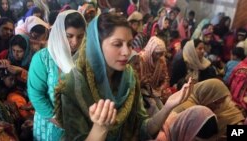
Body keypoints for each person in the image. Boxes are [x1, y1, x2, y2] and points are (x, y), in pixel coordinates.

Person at [55, 12, 193, 141]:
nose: (127, 52)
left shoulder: (128, 77)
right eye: (117, 44)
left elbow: (143, 129)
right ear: (96, 45)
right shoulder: (73, 85)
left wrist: (168, 107)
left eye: (129, 44)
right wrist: (100, 129)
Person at [27, 10, 86, 141]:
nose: (75, 42)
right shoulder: (43, 59)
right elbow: (36, 95)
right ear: (59, 33)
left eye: (80, 36)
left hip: (80, 124)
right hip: (49, 124)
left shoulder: (85, 58)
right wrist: (57, 120)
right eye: (69, 36)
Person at [173, 79, 245, 140]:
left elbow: (230, 111)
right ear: (207, 97)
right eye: (216, 103)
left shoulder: (204, 99)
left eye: (221, 103)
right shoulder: (189, 109)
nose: (219, 107)